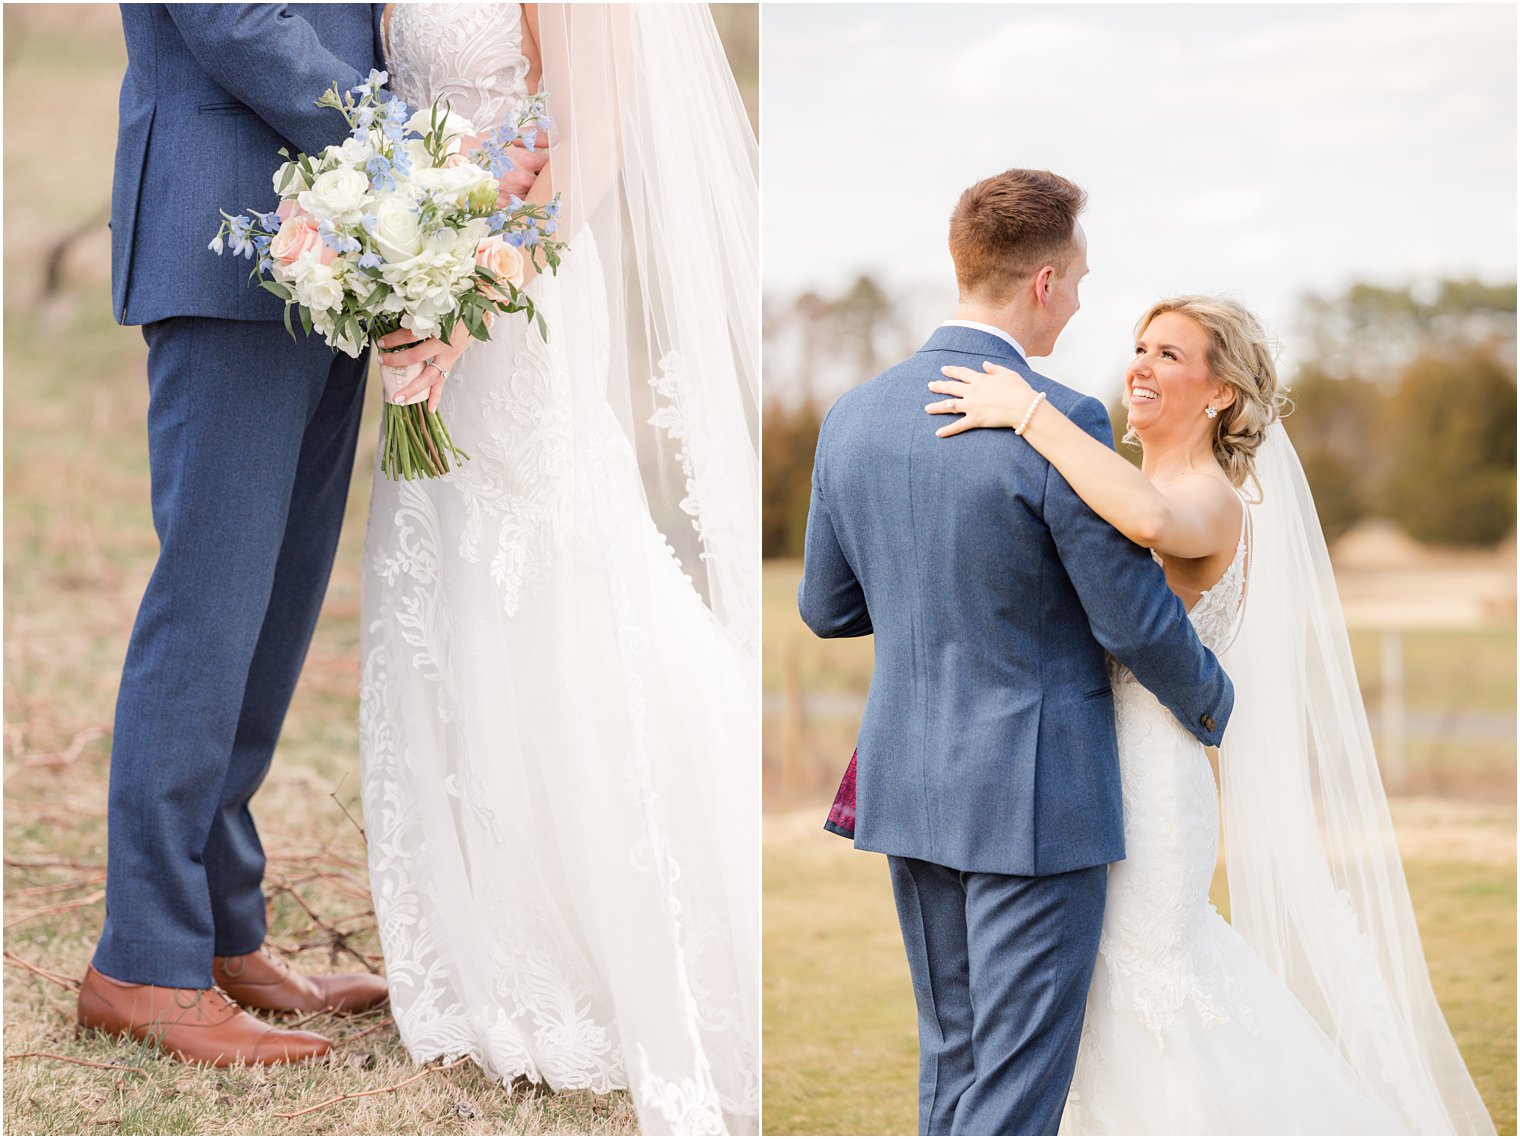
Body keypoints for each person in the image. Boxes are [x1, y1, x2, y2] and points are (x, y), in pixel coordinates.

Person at [925, 295, 1495, 1134]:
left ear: (1220, 391)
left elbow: (1153, 524)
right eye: (1139, 349)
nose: (1140, 367)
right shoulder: (1131, 482)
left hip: (1151, 787)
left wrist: (1030, 410)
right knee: (1094, 999)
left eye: (1168, 355)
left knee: (1146, 984)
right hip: (1086, 773)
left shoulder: (1208, 496)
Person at [361, 6, 759, 1134]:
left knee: (547, 586)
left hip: (511, 296)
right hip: (418, 279)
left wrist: (474, 290)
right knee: (441, 588)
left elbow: (594, 138)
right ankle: (483, 943)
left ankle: (584, 933)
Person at [798, 168, 1234, 1136]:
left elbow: (824, 608)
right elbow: (1129, 618)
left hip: (908, 780)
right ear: (1041, 281)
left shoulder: (852, 415)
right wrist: (1212, 699)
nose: (1080, 299)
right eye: (1076, 279)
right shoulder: (1059, 417)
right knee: (1014, 1088)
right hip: (1032, 797)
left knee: (952, 1062)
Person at [79, 3, 409, 1068]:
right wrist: (393, 137)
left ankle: (220, 929)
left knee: (272, 611)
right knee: (208, 611)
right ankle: (142, 963)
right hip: (222, 231)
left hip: (337, 244)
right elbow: (232, 18)